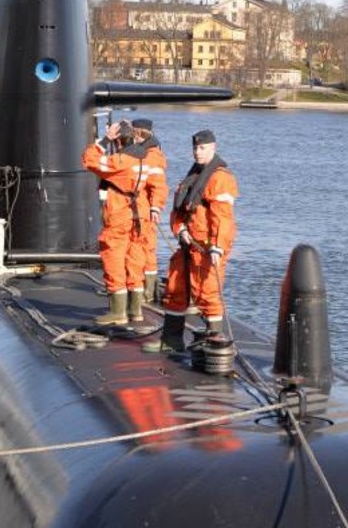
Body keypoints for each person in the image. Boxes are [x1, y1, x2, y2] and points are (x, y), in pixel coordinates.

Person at [144, 129, 238, 353]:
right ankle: (171, 340)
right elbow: (178, 210)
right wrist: (181, 229)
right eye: (195, 148)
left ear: (213, 148)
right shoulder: (193, 175)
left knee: (208, 294)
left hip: (206, 248)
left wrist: (217, 247)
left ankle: (215, 342)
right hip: (188, 245)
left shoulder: (220, 178)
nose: (198, 152)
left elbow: (223, 218)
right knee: (175, 290)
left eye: (202, 148)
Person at [82, 120, 153, 325]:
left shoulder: (120, 161)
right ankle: (135, 310)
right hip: (139, 215)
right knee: (135, 263)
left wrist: (104, 141)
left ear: (119, 140)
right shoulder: (143, 159)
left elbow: (89, 160)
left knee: (113, 259)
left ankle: (118, 312)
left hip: (121, 214)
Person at [128, 118, 168, 303]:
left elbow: (158, 185)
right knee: (146, 250)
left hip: (144, 210)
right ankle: (146, 291)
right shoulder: (145, 152)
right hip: (141, 209)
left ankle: (145, 292)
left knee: (143, 250)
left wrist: (155, 207)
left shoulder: (151, 155)